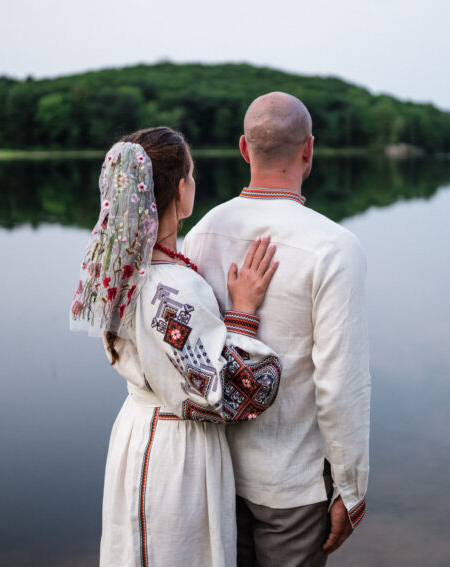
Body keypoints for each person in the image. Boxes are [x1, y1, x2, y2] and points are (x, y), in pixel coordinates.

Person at [70, 126, 282, 567]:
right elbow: (237, 393)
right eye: (192, 173)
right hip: (175, 450)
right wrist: (242, 313)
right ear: (180, 190)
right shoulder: (172, 288)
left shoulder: (127, 271)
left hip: (139, 429)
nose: (194, 183)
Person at [182, 92, 371, 566]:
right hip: (292, 486)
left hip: (215, 472)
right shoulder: (334, 247)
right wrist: (351, 488)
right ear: (309, 149)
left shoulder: (203, 231)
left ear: (244, 149)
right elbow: (339, 384)